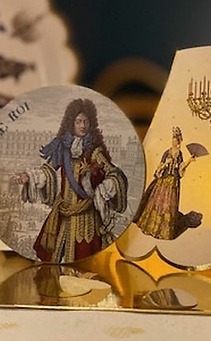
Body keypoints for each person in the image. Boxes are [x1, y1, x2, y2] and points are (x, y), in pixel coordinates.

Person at [16, 98, 128, 262]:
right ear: (71, 123)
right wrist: (29, 176)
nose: (82, 126)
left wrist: (102, 185)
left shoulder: (95, 151)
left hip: (86, 216)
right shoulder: (62, 148)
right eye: (78, 121)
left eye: (85, 121)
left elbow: (114, 174)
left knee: (86, 258)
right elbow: (48, 170)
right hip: (63, 211)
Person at [134, 126, 201, 240]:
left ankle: (164, 229)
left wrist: (189, 161)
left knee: (168, 205)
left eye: (176, 140)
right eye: (173, 140)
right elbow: (160, 167)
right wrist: (166, 163)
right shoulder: (167, 152)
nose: (174, 142)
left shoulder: (179, 154)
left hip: (173, 182)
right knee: (158, 202)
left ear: (179, 142)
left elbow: (180, 169)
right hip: (163, 182)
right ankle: (152, 226)